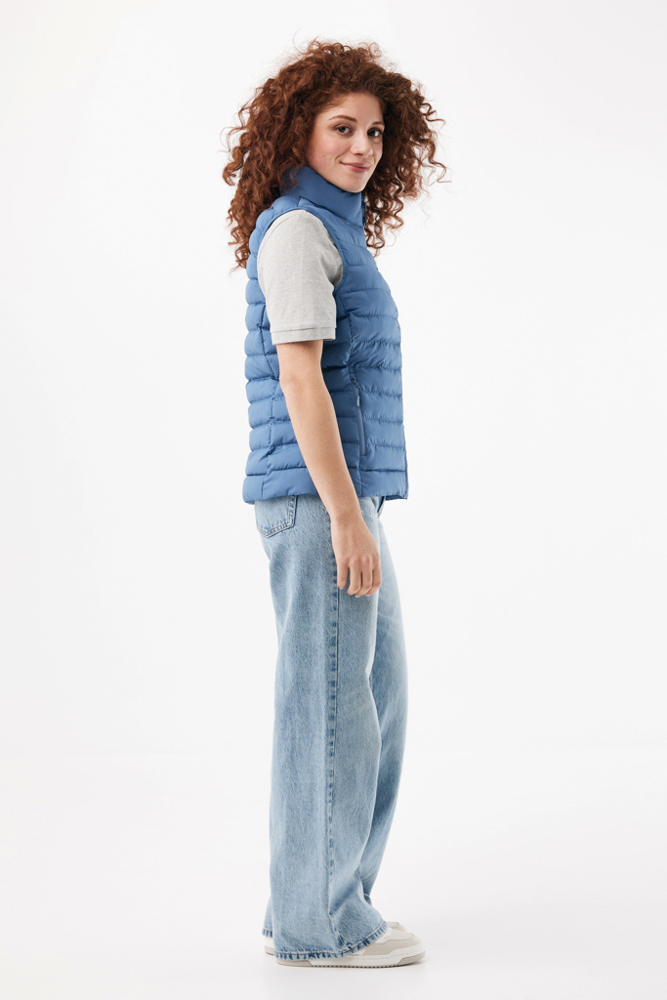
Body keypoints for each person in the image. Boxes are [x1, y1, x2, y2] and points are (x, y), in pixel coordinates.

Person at [222, 38, 447, 968]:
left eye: (376, 132)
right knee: (328, 709)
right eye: (342, 128)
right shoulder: (296, 232)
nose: (362, 147)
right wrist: (347, 517)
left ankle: (326, 899)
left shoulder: (335, 231)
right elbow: (300, 379)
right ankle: (317, 927)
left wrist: (360, 511)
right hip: (321, 505)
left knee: (373, 702)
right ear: (298, 134)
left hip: (346, 502)